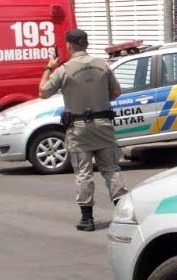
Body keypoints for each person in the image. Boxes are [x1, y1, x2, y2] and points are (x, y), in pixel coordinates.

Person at [39, 28, 128, 232]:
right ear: (86, 44)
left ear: (69, 46)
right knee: (111, 169)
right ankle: (124, 213)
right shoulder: (103, 65)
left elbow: (43, 92)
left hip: (79, 129)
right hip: (103, 125)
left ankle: (87, 219)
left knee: (83, 173)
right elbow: (116, 92)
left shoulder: (65, 69)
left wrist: (48, 67)